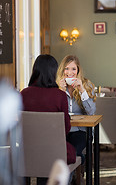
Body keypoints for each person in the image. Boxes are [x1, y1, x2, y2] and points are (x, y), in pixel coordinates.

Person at [21, 54, 76, 185]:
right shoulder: (60, 95)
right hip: (54, 153)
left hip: (27, 152)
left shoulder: (23, 94)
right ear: (54, 72)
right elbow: (66, 128)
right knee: (74, 153)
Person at [56, 55, 96, 164]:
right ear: (62, 70)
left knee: (71, 152)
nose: (70, 72)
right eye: (67, 68)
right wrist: (61, 92)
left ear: (78, 70)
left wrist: (82, 90)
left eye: (73, 69)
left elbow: (91, 112)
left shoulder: (87, 85)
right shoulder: (56, 86)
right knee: (58, 153)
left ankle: (68, 178)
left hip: (80, 131)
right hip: (61, 130)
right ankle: (77, 166)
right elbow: (56, 112)